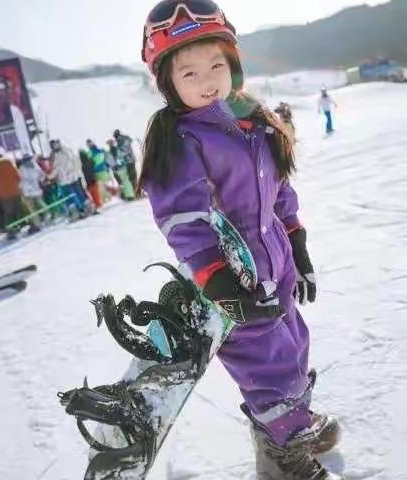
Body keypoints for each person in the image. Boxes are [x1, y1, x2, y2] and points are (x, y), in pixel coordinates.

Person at [138, 2, 342, 479]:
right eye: (188, 72)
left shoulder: (253, 123)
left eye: (216, 65)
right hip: (236, 279)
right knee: (269, 367)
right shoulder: (182, 139)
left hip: (277, 265)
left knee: (294, 347)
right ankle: (283, 458)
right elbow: (182, 219)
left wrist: (298, 243)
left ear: (234, 64)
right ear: (168, 83)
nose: (206, 79)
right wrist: (217, 278)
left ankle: (295, 423)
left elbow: (280, 193)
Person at [0, 152, 39, 238]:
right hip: (16, 190)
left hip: (4, 194)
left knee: (8, 213)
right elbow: (17, 176)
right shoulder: (8, 162)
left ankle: (11, 232)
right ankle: (34, 225)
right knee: (24, 208)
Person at [49, 139, 88, 219]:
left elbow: (56, 168)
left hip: (66, 179)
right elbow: (76, 162)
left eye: (55, 144)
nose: (55, 146)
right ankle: (84, 208)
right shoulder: (68, 151)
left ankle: (77, 212)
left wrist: (49, 177)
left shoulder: (58, 155)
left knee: (70, 196)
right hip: (73, 177)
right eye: (53, 145)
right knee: (78, 193)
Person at [18, 154, 48, 226]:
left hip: (28, 192)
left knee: (32, 209)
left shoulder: (22, 168)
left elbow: (21, 180)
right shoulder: (35, 166)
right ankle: (47, 216)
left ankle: (37, 223)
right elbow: (42, 176)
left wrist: (20, 189)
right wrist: (42, 181)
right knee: (41, 205)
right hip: (36, 190)